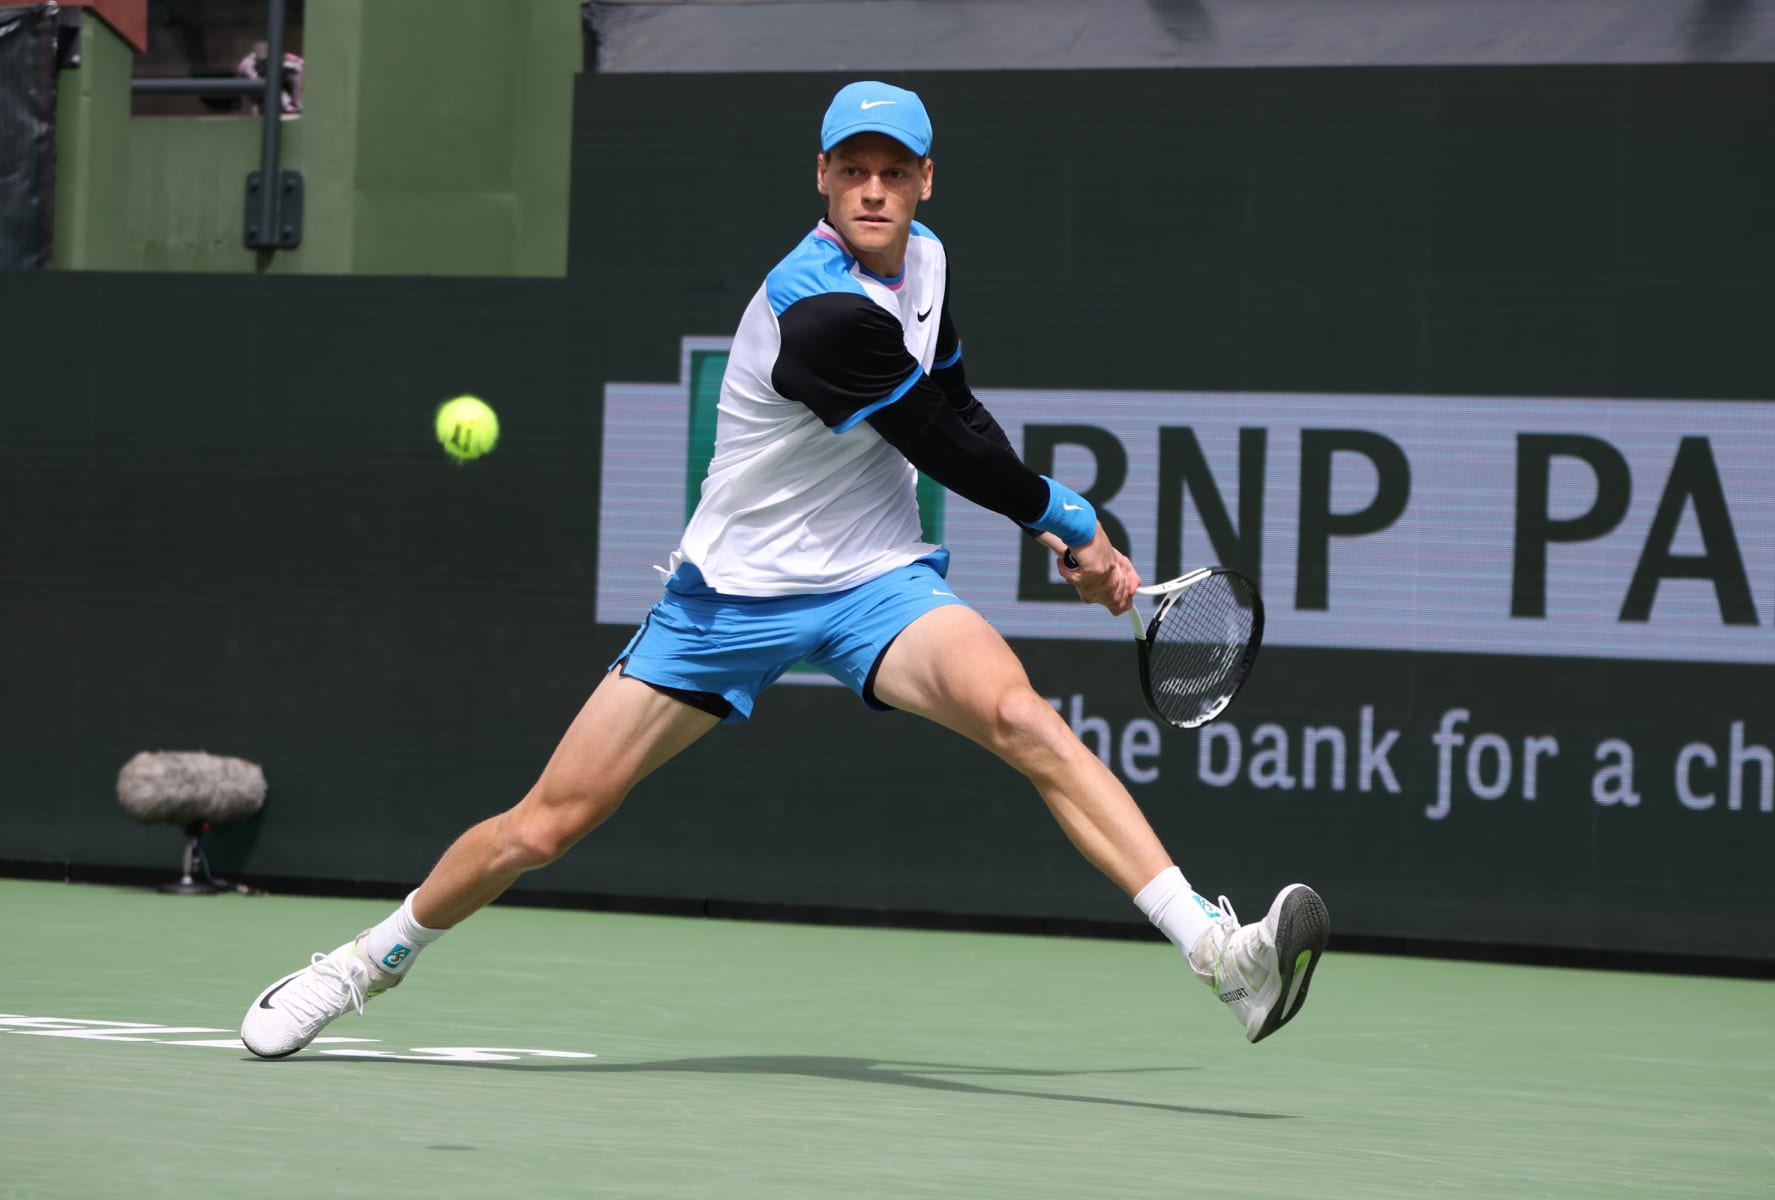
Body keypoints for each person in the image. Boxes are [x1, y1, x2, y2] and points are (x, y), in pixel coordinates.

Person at [240, 80, 1329, 1059]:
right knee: (548, 824)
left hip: (877, 582)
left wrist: (1053, 532)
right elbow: (934, 441)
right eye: (851, 170)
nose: (871, 189)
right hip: (731, 600)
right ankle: (366, 962)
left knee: (1026, 723)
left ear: (924, 181)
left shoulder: (932, 262)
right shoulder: (816, 313)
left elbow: (954, 399)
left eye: (892, 172)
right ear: (821, 178)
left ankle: (1221, 959)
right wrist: (1072, 517)